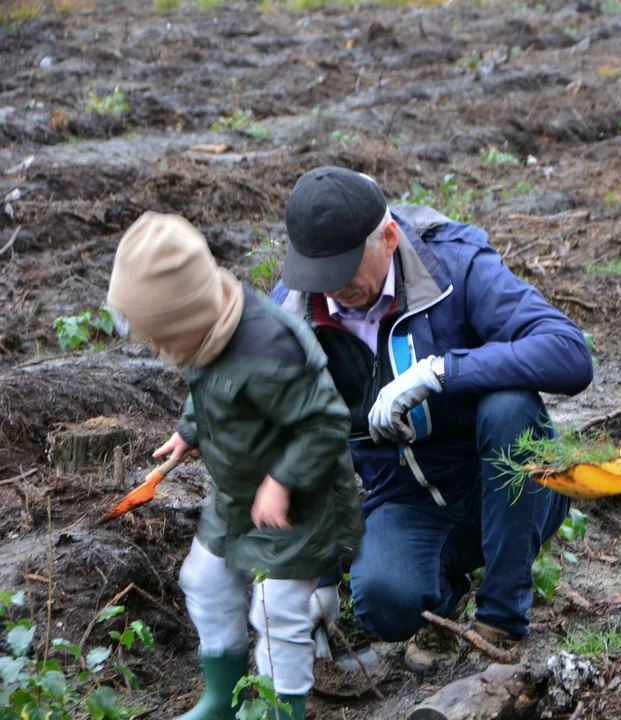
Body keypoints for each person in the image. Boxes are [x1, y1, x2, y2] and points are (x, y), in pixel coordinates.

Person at [273, 167, 594, 670]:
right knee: (384, 601)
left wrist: (445, 371)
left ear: (389, 237)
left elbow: (570, 354)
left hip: (509, 479)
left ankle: (502, 615)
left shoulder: (454, 266)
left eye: (344, 267)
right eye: (319, 273)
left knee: (507, 404)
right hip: (406, 501)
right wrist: (313, 579)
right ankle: (444, 604)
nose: (332, 289)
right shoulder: (295, 316)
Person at [106, 212, 364, 720]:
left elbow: (326, 423)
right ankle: (219, 698)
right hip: (237, 493)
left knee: (276, 612)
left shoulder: (272, 349)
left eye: (161, 337)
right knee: (203, 580)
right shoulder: (207, 333)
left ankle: (279, 709)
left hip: (300, 504)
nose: (156, 350)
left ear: (191, 316)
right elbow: (206, 387)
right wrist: (190, 430)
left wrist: (283, 480)